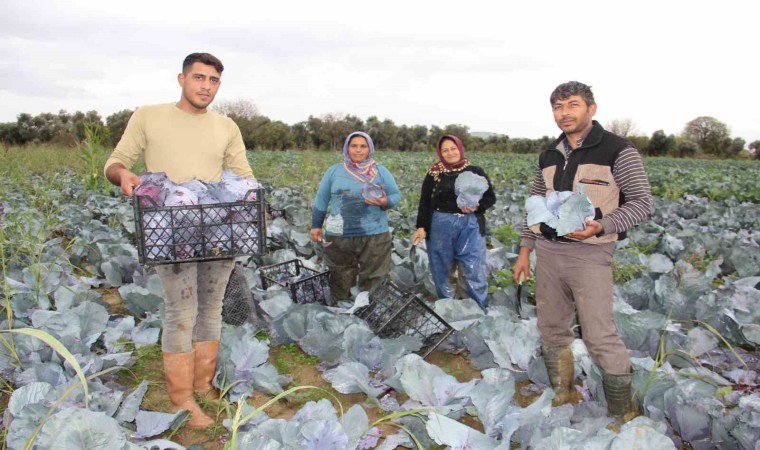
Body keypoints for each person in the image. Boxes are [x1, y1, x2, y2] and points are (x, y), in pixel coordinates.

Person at [104, 52, 256, 428]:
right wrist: (123, 176)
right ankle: (181, 397)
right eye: (199, 78)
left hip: (217, 228)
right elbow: (115, 162)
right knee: (181, 312)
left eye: (213, 81)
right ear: (181, 79)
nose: (206, 86)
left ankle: (202, 385)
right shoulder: (149, 116)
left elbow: (242, 174)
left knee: (212, 309)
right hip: (168, 230)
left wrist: (254, 201)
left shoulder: (227, 126)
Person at [512, 81, 653, 422]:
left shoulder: (618, 150)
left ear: (591, 108)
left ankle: (624, 414)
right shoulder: (548, 154)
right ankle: (564, 392)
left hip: (590, 255)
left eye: (572, 105)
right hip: (548, 253)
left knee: (599, 335)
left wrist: (602, 224)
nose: (565, 114)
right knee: (551, 328)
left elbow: (643, 204)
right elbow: (534, 206)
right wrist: (524, 250)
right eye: (558, 108)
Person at [310, 131, 401, 301]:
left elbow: (395, 195)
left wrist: (384, 201)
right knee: (339, 276)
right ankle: (340, 312)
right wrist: (316, 225)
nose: (358, 150)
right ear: (347, 148)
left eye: (363, 146)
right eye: (353, 146)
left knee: (375, 278)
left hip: (374, 234)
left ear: (369, 149)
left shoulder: (380, 171)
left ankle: (372, 314)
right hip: (339, 235)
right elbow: (321, 200)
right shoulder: (334, 171)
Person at [412, 135, 496, 309]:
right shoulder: (435, 174)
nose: (450, 153)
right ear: (440, 153)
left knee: (473, 269)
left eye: (453, 148)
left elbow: (490, 197)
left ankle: (474, 310)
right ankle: (448, 309)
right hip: (440, 227)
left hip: (470, 226)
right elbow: (425, 201)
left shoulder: (475, 171)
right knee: (442, 269)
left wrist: (476, 207)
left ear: (460, 148)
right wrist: (421, 226)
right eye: (445, 150)